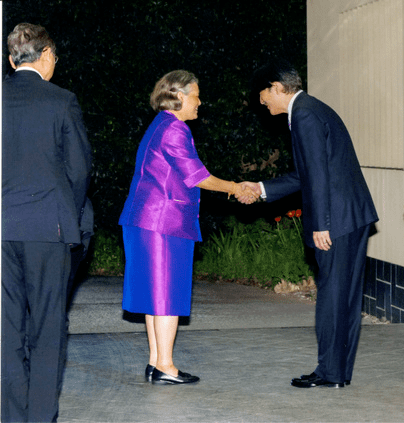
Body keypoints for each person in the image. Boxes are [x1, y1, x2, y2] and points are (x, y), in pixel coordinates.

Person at [242, 60, 378, 388]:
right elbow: (309, 174)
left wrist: (321, 224)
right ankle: (337, 372)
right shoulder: (311, 108)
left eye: (262, 95)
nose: (261, 102)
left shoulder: (303, 113)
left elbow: (317, 175)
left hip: (338, 220)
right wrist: (262, 189)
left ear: (276, 87)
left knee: (333, 296)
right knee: (344, 297)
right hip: (351, 215)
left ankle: (330, 373)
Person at [118, 70, 257, 385]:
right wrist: (235, 187)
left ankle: (156, 362)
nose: (199, 101)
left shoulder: (160, 126)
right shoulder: (175, 129)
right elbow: (197, 176)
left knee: (155, 295)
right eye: (195, 94)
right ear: (178, 96)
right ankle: (166, 366)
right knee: (167, 294)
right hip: (164, 222)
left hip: (143, 220)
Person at [2, 23, 92, 422]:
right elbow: (79, 168)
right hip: (47, 229)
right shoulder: (61, 100)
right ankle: (41, 418)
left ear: (10, 60)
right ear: (45, 56)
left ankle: (12, 416)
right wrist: (68, 218)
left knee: (5, 330)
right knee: (47, 328)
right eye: (54, 56)